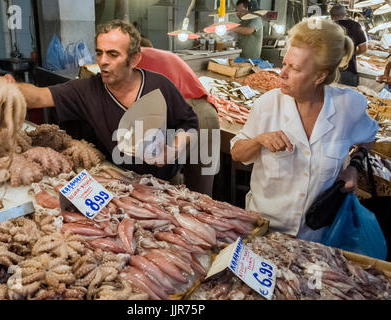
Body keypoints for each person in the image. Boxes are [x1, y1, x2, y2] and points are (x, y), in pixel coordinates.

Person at [230, 19, 379, 241]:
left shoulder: (348, 107)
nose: (282, 73)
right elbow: (237, 153)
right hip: (264, 231)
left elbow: (369, 136)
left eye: (295, 68)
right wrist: (259, 140)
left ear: (320, 76)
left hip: (317, 237)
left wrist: (354, 167)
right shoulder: (268, 104)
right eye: (285, 63)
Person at [3, 20, 199, 181]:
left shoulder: (159, 86)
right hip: (119, 179)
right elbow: (40, 96)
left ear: (134, 59)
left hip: (164, 181)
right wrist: (7, 89)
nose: (103, 61)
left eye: (113, 54)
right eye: (99, 52)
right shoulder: (87, 89)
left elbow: (189, 123)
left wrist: (174, 148)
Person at [137, 45, 220, 196]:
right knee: (202, 191)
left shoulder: (130, 59)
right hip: (208, 113)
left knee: (170, 187)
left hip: (179, 113)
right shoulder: (165, 54)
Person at [330, 3, 367, 87]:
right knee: (349, 98)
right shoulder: (356, 26)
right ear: (345, 14)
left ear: (331, 16)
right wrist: (351, 54)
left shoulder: (328, 27)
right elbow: (363, 49)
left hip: (330, 70)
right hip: (349, 70)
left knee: (330, 98)